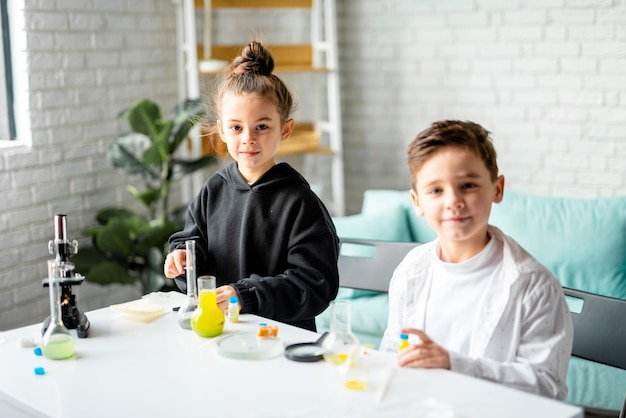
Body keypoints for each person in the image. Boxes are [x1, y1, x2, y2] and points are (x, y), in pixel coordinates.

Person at [379, 120, 573, 400]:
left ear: (497, 188)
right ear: (417, 202)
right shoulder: (411, 270)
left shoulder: (533, 285)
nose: (453, 200)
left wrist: (453, 364)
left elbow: (547, 386)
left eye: (468, 185)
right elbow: (393, 352)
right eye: (435, 190)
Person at [164, 40, 339, 332]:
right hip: (223, 332)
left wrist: (245, 295)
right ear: (221, 129)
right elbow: (191, 244)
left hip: (281, 341)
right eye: (236, 127)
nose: (248, 138)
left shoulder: (300, 202)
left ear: (285, 129)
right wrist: (183, 258)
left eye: (262, 126)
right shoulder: (213, 190)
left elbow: (316, 285)